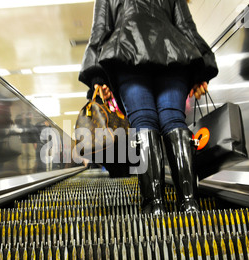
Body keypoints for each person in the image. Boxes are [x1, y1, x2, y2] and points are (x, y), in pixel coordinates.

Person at [79, 0, 218, 215]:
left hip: (127, 54)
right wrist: (203, 69)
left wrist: (97, 76)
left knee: (143, 121)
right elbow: (186, 27)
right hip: (172, 53)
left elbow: (100, 29)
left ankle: (154, 205)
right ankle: (189, 202)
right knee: (174, 120)